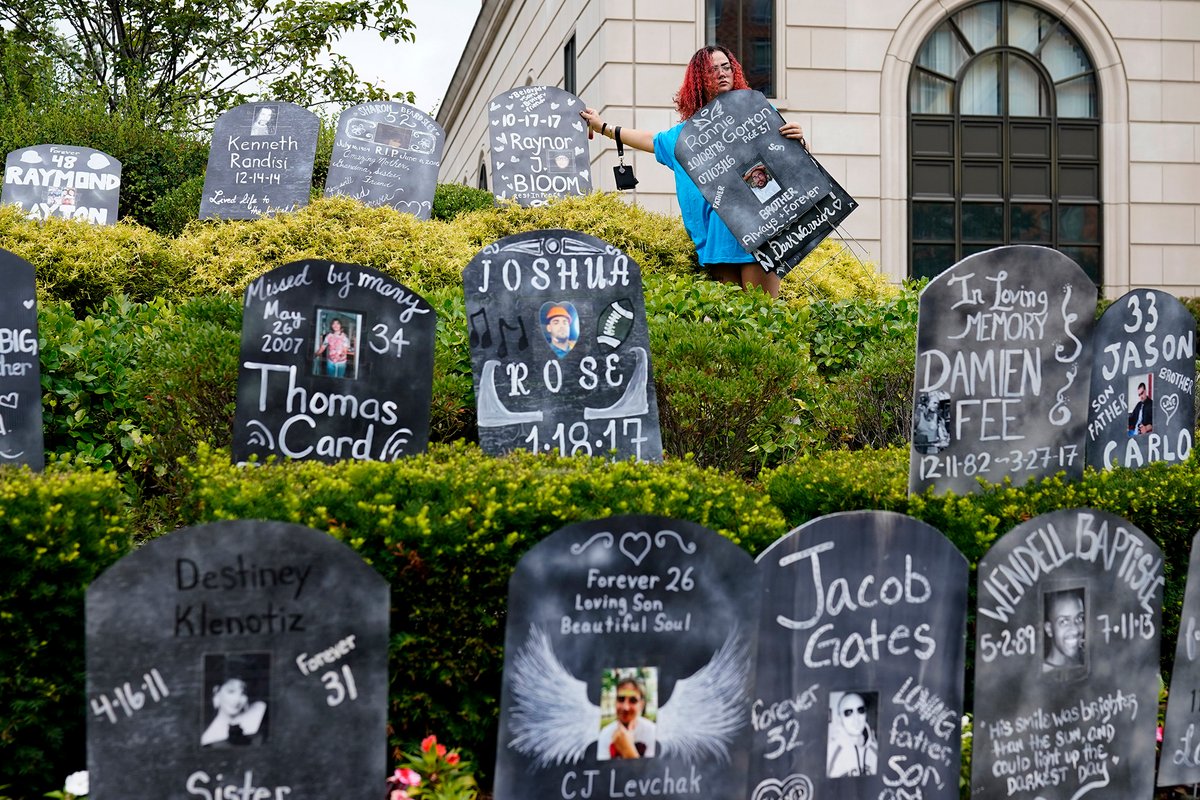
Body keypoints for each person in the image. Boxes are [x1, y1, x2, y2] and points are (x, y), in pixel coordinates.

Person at [580, 45, 807, 299]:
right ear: (699, 79)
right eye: (712, 69)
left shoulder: (759, 114)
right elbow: (649, 140)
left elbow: (791, 163)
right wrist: (602, 127)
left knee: (765, 319)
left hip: (761, 232)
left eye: (726, 67)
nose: (722, 73)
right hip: (718, 242)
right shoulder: (686, 137)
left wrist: (799, 140)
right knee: (733, 326)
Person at [597, 676, 657, 760]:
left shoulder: (653, 732)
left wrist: (628, 751)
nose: (625, 707)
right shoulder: (605, 734)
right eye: (621, 699)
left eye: (633, 700)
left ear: (642, 704)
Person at [201, 677, 268, 746]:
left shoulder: (258, 711)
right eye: (231, 691)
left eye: (243, 693)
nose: (237, 699)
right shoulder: (209, 737)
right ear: (217, 692)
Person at [827, 692, 878, 778]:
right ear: (840, 719)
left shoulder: (876, 750)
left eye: (860, 710)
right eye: (848, 712)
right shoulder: (830, 752)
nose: (856, 718)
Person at [1043, 590, 1085, 671]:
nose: (1075, 630)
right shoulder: (1037, 675)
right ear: (1049, 629)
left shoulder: (1083, 659)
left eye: (1079, 618)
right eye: (1064, 621)